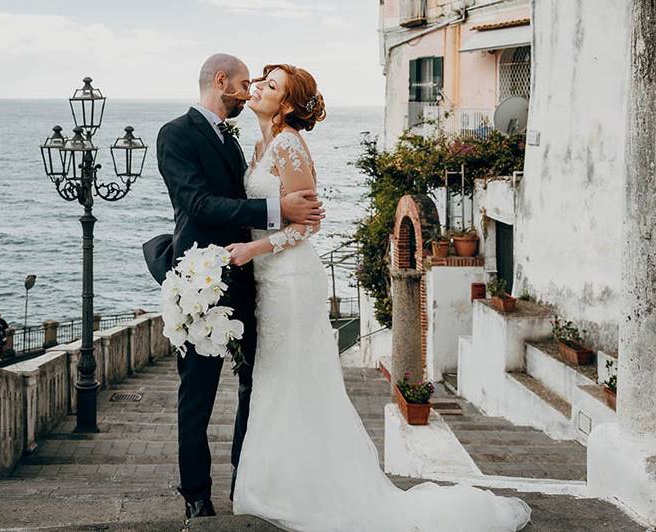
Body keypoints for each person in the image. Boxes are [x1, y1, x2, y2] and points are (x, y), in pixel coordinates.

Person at [224, 64, 532, 531]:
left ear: (286, 105)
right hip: (268, 281)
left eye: (272, 85)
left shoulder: (288, 145)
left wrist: (252, 248)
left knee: (294, 379)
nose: (260, 87)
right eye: (262, 80)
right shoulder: (260, 146)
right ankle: (279, 481)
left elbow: (308, 225)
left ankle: (303, 489)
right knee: (276, 379)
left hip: (290, 279)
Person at [142, 53, 325, 519]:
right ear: (220, 81)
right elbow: (199, 204)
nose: (250, 91)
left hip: (252, 283)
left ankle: (247, 476)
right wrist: (276, 212)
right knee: (197, 393)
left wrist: (271, 230)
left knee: (255, 386)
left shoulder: (242, 138)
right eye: (244, 84)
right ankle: (197, 496)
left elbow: (262, 200)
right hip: (201, 283)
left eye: (259, 85)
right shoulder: (176, 134)